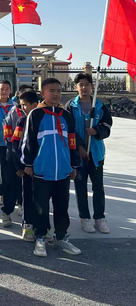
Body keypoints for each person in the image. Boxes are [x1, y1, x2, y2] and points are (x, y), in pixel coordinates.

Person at [21, 78, 81, 257]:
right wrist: (29, 164)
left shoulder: (67, 116)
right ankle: (40, 238)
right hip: (42, 170)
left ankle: (61, 237)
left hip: (62, 170)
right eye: (52, 91)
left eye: (59, 91)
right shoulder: (36, 115)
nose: (56, 94)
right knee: (41, 206)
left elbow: (72, 142)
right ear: (43, 93)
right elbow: (28, 141)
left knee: (62, 206)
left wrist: (73, 164)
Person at [65, 73, 112, 234]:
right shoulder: (71, 106)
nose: (84, 88)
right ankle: (84, 217)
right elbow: (68, 129)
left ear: (92, 87)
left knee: (98, 186)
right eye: (81, 85)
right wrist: (79, 147)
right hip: (79, 155)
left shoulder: (98, 105)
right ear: (76, 87)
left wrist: (97, 130)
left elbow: (107, 125)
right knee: (80, 186)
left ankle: (99, 217)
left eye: (87, 84)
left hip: (96, 153)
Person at [11, 89, 39, 242]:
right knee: (27, 195)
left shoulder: (44, 119)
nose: (22, 109)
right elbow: (15, 145)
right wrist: (20, 166)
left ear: (34, 104)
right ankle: (27, 225)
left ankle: (42, 226)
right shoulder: (22, 121)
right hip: (27, 167)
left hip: (42, 167)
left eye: (24, 105)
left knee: (41, 197)